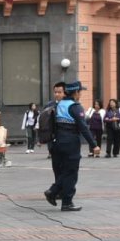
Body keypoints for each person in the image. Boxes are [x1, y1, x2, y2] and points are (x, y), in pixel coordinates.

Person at [44, 81, 100, 212]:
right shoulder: (75, 107)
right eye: (80, 92)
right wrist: (94, 145)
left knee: (64, 171)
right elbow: (84, 128)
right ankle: (65, 201)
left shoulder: (57, 105)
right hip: (70, 143)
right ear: (75, 92)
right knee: (71, 172)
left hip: (57, 142)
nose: (80, 94)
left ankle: (54, 191)